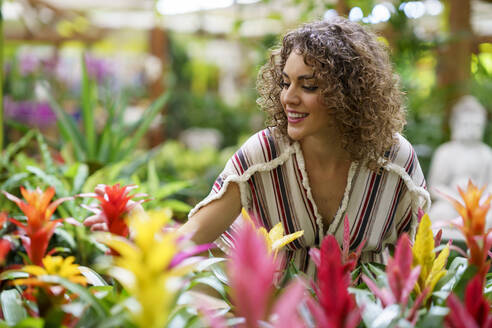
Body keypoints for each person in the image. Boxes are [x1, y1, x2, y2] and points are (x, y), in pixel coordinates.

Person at [85, 18, 430, 277]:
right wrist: (135, 226)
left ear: (349, 94)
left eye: (307, 85)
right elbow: (188, 242)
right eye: (285, 82)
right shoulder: (263, 156)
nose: (288, 98)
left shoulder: (395, 163)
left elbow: (420, 267)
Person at [428, 95, 492, 240]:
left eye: (476, 125)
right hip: (452, 204)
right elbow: (435, 186)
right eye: (466, 124)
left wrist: (482, 202)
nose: (471, 129)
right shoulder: (445, 152)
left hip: (480, 206)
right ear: (455, 124)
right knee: (439, 214)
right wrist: (456, 200)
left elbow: (490, 185)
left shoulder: (486, 153)